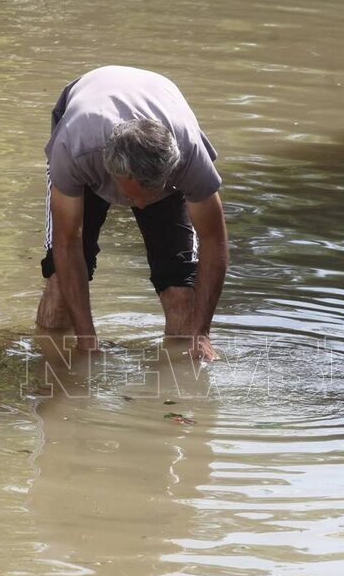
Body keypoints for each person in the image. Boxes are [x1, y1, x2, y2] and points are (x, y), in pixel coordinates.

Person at [36, 66, 227, 361]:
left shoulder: (190, 157)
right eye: (131, 195)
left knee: (181, 292)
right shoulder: (74, 150)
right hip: (87, 144)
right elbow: (67, 240)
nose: (139, 206)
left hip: (164, 142)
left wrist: (201, 333)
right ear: (113, 172)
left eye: (148, 196)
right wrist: (87, 341)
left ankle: (179, 379)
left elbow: (214, 239)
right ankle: (51, 364)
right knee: (61, 283)